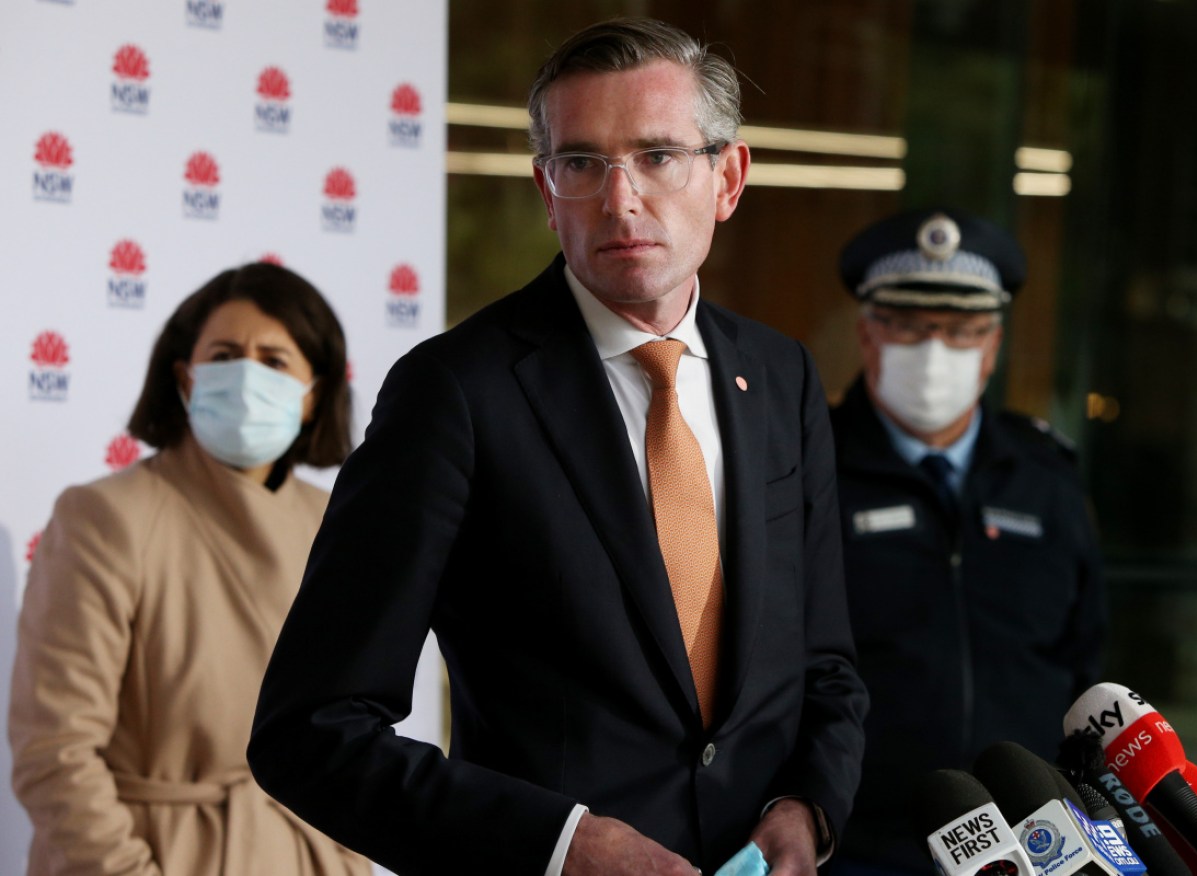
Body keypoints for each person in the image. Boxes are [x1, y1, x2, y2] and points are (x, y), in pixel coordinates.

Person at [246, 17, 868, 876]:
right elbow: (309, 731)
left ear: (727, 177)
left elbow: (825, 664)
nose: (620, 198)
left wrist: (809, 809)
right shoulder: (455, 393)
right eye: (581, 164)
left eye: (657, 156)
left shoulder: (782, 375)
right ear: (546, 192)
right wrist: (559, 845)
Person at [8, 263, 369, 876]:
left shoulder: (335, 525)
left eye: (275, 362)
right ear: (184, 378)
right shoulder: (104, 517)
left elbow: (355, 741)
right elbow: (55, 751)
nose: (248, 375)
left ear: (313, 395)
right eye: (225, 355)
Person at [825, 208, 1106, 876]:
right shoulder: (809, 469)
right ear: (868, 336)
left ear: (991, 347)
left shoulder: (1044, 477)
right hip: (859, 844)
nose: (933, 353)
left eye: (958, 332)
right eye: (910, 329)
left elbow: (1082, 658)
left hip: (1035, 844)